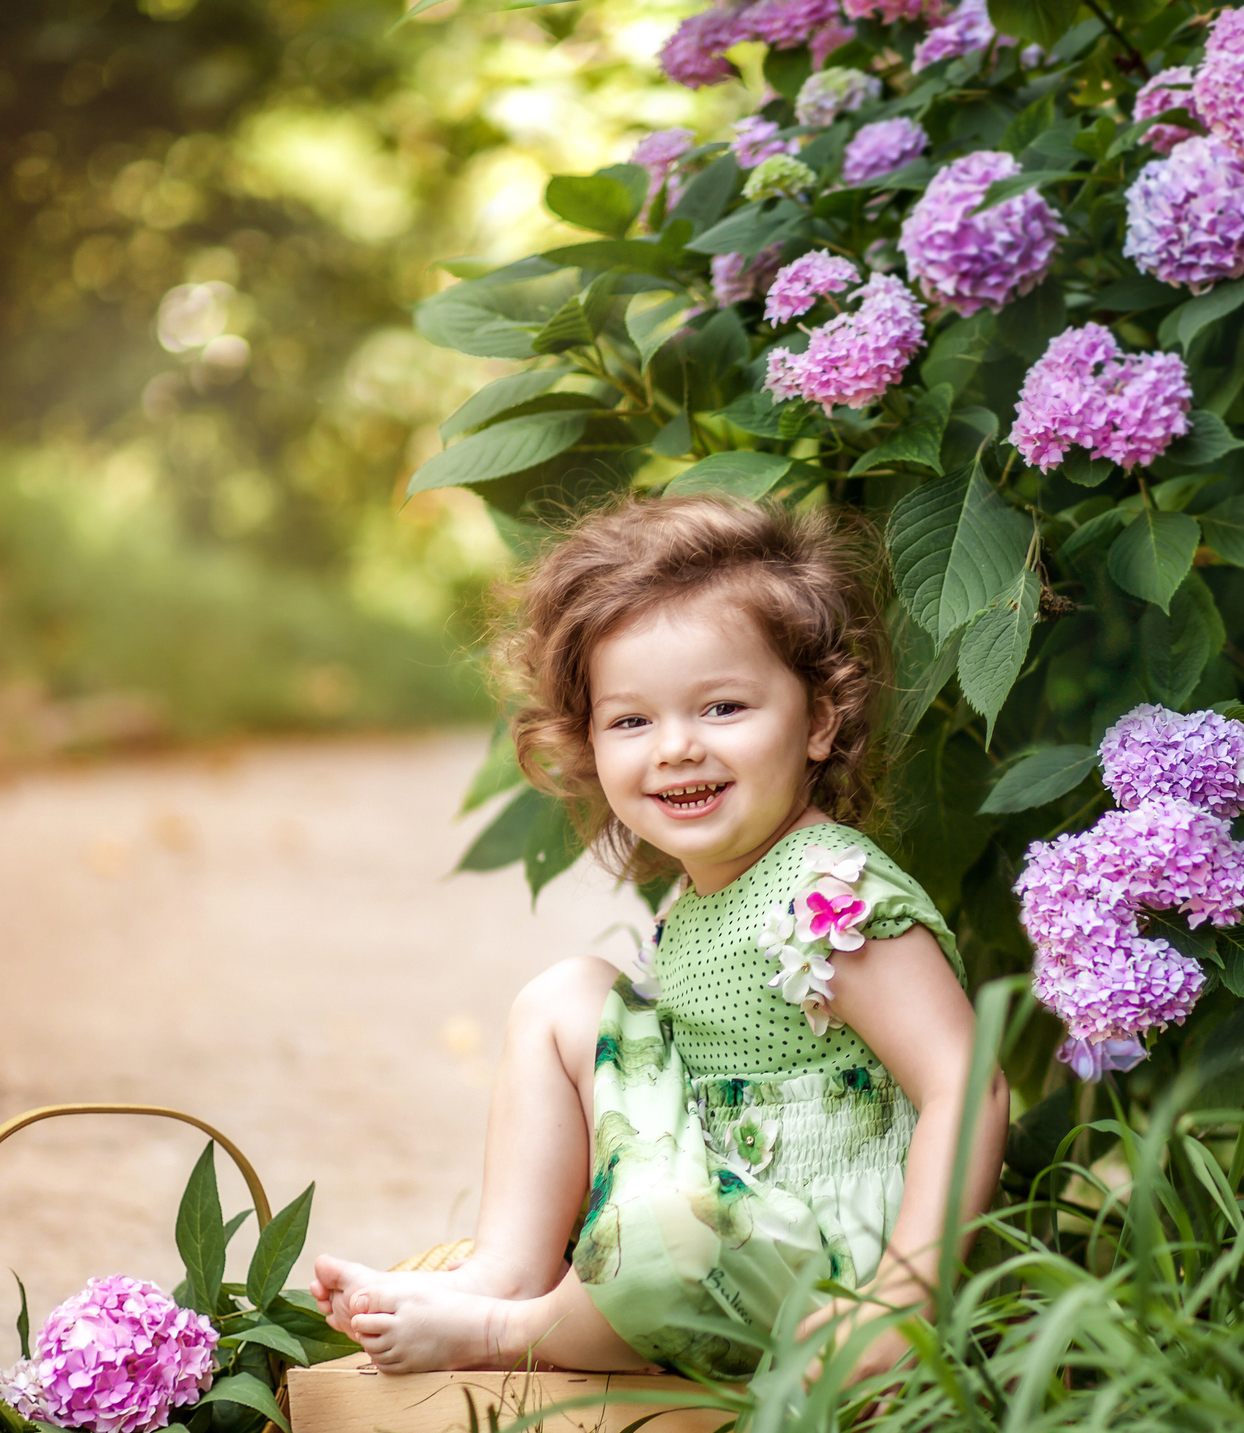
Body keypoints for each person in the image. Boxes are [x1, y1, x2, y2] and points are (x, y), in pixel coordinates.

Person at [308, 494, 1005, 1383]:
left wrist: (903, 1296)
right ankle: (505, 1272)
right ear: (589, 741)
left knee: (658, 1235)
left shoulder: (828, 895)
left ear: (820, 721)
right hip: (698, 1222)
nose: (675, 748)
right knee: (567, 993)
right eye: (632, 720)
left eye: (722, 707)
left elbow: (964, 1079)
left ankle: (503, 1331)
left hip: (815, 1270)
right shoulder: (698, 898)